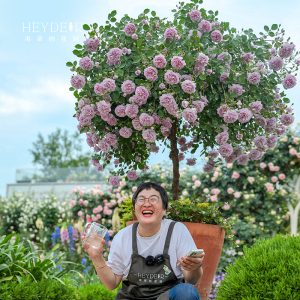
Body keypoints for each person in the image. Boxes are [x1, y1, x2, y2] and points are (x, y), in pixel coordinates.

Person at [82, 182, 205, 300]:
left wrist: (195, 266)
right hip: (132, 297)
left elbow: (192, 280)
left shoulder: (177, 231)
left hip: (167, 296)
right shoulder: (123, 236)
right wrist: (97, 256)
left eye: (153, 199)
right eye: (141, 199)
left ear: (164, 209)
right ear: (135, 209)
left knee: (186, 292)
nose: (146, 204)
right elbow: (112, 283)